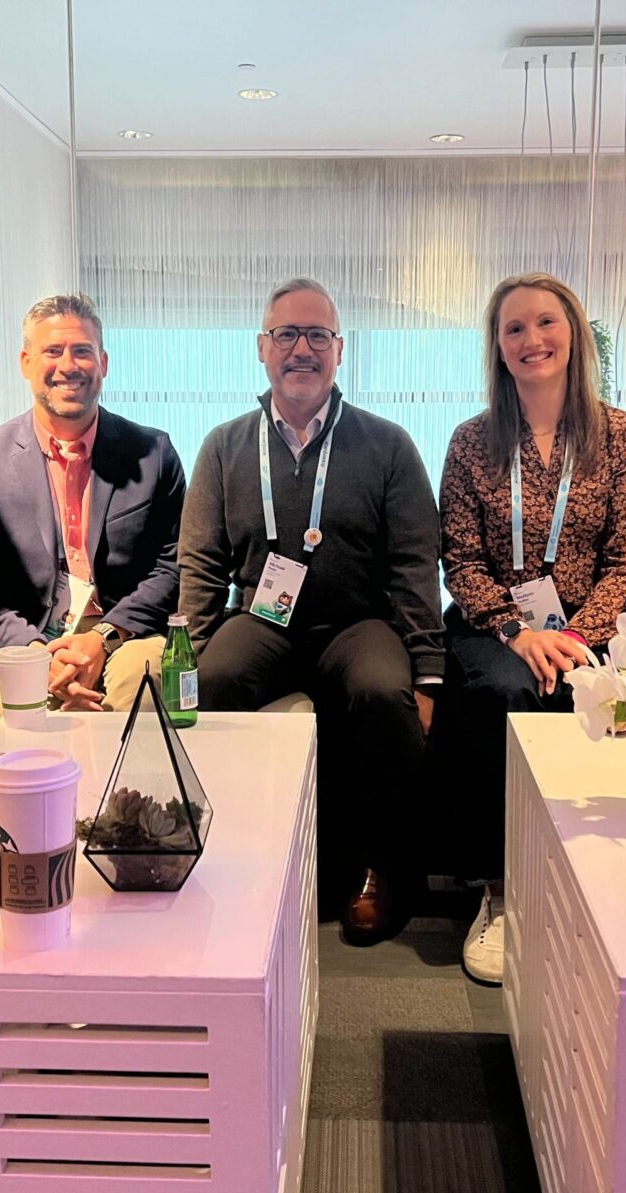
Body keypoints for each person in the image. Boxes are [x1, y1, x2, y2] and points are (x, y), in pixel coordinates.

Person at [179, 277, 443, 945]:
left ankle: (383, 871)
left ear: (340, 349)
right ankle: (230, 859)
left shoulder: (387, 445)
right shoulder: (223, 446)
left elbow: (416, 563)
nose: (302, 349)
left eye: (318, 335)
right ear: (261, 348)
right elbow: (201, 563)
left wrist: (428, 671)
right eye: (287, 334)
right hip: (262, 622)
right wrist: (195, 652)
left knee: (383, 693)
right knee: (213, 681)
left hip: (358, 623)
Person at [438, 272, 626, 983]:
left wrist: (578, 636)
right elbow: (460, 559)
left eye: (546, 323)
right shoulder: (472, 441)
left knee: (594, 694)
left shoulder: (621, 436)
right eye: (514, 328)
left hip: (590, 629)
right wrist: (516, 630)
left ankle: (580, 889)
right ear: (499, 347)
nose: (532, 339)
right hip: (492, 627)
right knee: (507, 692)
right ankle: (500, 891)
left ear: (575, 334)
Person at [0, 294, 183, 721]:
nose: (68, 365)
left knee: (143, 686)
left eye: (82, 351)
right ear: (25, 362)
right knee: (13, 709)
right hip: (20, 637)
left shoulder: (153, 453)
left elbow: (171, 567)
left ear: (103, 363)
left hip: (126, 632)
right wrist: (37, 653)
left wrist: (104, 637)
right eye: (52, 351)